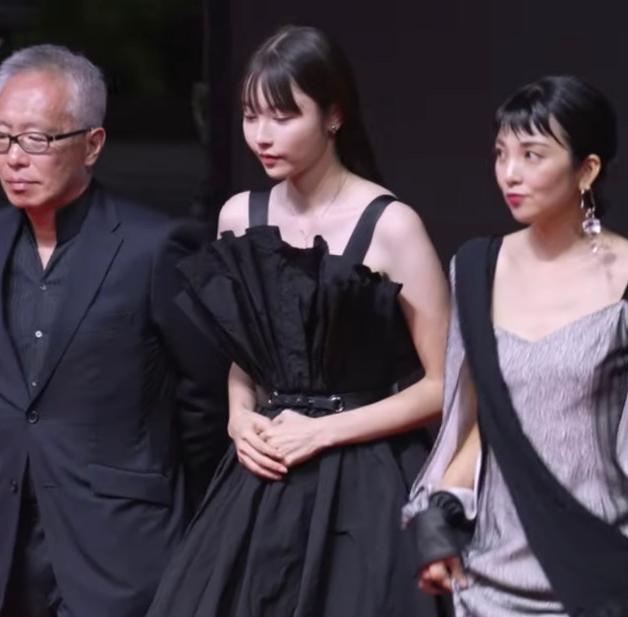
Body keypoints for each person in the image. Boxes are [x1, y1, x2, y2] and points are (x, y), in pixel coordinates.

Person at [144, 25, 451, 617]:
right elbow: (249, 352)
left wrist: (322, 431)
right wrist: (238, 417)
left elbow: (443, 386)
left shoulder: (392, 224)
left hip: (364, 481)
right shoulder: (240, 216)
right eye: (250, 116)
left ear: (333, 116)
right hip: (264, 472)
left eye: (283, 117)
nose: (261, 135)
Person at [404, 75, 628, 617]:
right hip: (489, 577)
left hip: (602, 570)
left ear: (586, 170)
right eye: (501, 153)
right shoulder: (475, 269)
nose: (510, 173)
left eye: (531, 155)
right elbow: (482, 424)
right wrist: (438, 515)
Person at [0, 45, 230, 617]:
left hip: (124, 547)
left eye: (36, 139)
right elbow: (3, 385)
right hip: (14, 542)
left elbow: (205, 398)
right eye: (1, 138)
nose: (14, 158)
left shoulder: (155, 247)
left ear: (92, 144)